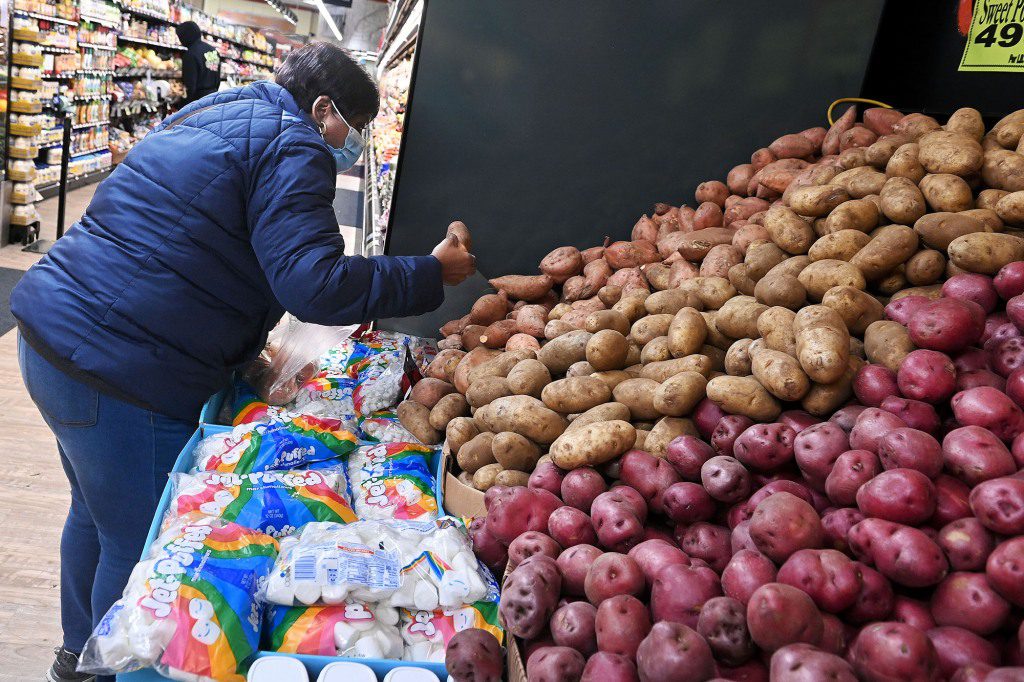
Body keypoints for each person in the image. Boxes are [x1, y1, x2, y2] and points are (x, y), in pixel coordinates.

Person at [12, 41, 475, 682]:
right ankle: (111, 669)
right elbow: (314, 284)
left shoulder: (222, 109)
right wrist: (430, 273)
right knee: (140, 537)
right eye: (354, 127)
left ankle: (76, 654)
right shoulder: (296, 144)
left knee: (93, 513)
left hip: (52, 334)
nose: (355, 145)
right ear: (321, 109)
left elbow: (203, 234)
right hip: (122, 370)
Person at [175, 20, 221, 103]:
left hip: (198, 100)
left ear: (185, 36)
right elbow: (218, 78)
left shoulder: (190, 54)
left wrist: (184, 104)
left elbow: (190, 85)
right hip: (213, 97)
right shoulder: (213, 50)